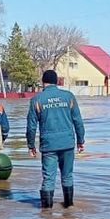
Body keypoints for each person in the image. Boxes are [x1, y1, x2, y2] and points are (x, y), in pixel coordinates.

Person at [26, 69, 86, 209]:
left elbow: (31, 126)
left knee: (48, 178)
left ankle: (47, 213)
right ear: (57, 81)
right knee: (67, 176)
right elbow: (78, 121)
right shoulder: (69, 97)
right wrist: (80, 141)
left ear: (43, 82)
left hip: (49, 145)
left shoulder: (37, 100)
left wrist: (31, 145)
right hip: (67, 143)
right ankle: (69, 207)